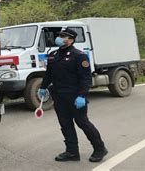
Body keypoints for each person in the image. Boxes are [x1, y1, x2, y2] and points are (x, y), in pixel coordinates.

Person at [38, 28, 108, 162]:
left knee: (82, 122)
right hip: (59, 96)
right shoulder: (53, 55)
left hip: (75, 96)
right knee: (65, 124)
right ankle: (72, 152)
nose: (59, 38)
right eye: (60, 35)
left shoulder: (79, 55)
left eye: (63, 36)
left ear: (70, 39)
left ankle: (100, 148)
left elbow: (86, 78)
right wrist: (42, 87)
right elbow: (49, 74)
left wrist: (82, 95)